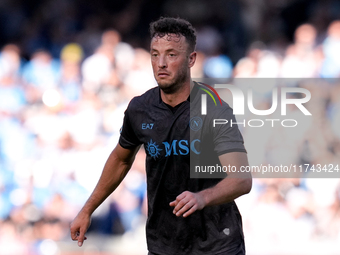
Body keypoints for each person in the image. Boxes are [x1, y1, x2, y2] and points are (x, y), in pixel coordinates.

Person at [70, 17, 252, 255]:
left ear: (191, 59)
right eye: (155, 55)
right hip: (164, 244)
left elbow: (242, 179)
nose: (161, 63)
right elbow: (121, 159)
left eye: (171, 55)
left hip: (217, 244)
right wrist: (87, 209)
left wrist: (202, 198)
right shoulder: (139, 109)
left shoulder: (214, 109)